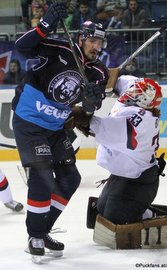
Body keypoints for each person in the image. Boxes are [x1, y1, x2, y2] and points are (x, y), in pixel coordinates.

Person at [12, 1, 109, 260]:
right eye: (94, 42)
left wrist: (90, 100)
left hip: (55, 129)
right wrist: (44, 25)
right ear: (81, 37)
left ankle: (42, 231)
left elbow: (91, 106)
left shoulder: (98, 71)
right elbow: (21, 47)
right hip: (30, 123)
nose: (97, 48)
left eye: (101, 43)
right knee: (42, 176)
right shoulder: (59, 48)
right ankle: (34, 235)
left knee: (70, 179)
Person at [68, 75, 165, 225]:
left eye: (135, 93)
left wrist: (78, 111)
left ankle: (153, 215)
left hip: (140, 181)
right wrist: (101, 81)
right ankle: (133, 207)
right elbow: (118, 79)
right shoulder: (140, 97)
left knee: (116, 218)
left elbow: (94, 126)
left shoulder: (140, 120)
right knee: (100, 211)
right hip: (123, 174)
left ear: (143, 101)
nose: (131, 92)